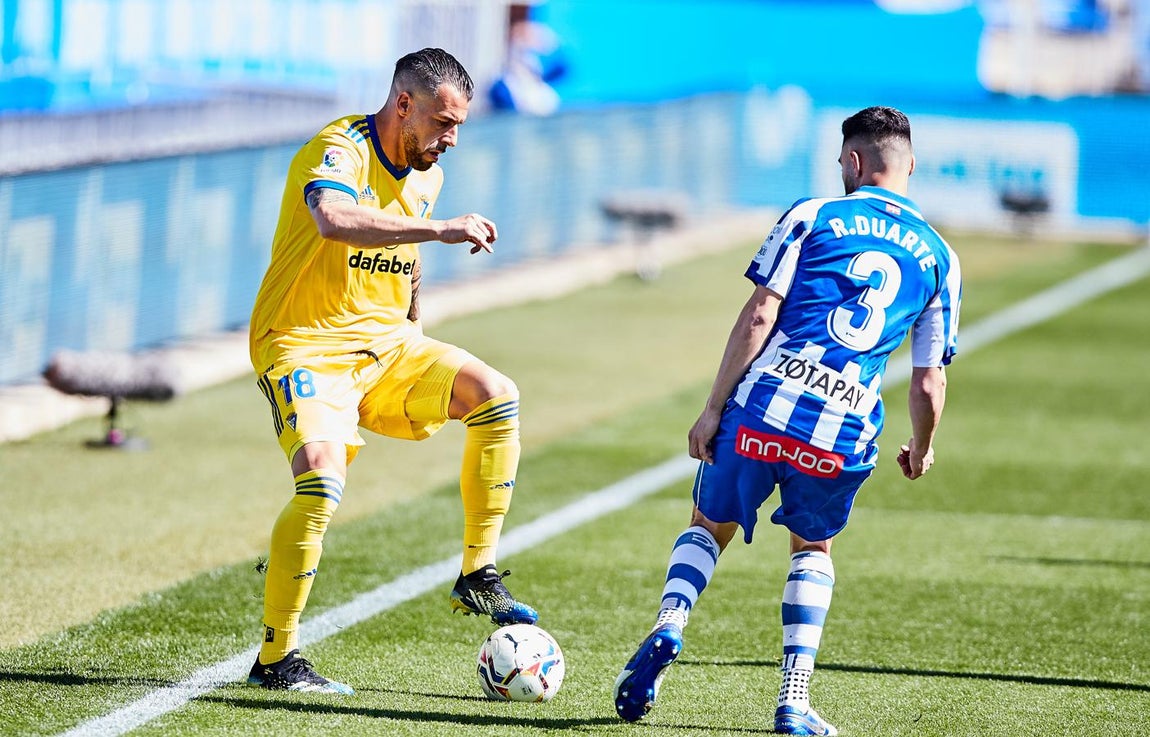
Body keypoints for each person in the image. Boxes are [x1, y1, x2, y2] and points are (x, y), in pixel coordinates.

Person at [613, 106, 962, 735]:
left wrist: (714, 406)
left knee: (708, 526)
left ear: (854, 162)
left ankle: (670, 624)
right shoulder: (941, 257)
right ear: (909, 165)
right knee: (813, 549)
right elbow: (929, 379)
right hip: (844, 428)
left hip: (765, 406)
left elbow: (758, 316)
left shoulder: (811, 215)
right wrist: (923, 444)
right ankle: (793, 701)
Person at [246, 47, 537, 695]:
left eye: (458, 125)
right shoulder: (340, 147)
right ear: (403, 104)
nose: (451, 138)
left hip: (388, 346)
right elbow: (333, 218)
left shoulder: (425, 166)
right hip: (303, 346)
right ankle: (277, 657)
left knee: (496, 395)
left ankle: (477, 574)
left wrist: (415, 326)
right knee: (321, 481)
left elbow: (404, 258)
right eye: (442, 122)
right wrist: (439, 230)